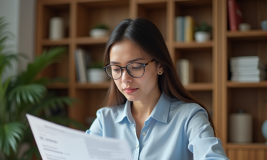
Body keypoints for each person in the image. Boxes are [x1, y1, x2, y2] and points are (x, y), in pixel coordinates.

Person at [86, 18, 228, 160]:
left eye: (135, 67)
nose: (124, 79)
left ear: (159, 66)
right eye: (116, 69)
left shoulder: (189, 117)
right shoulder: (105, 120)